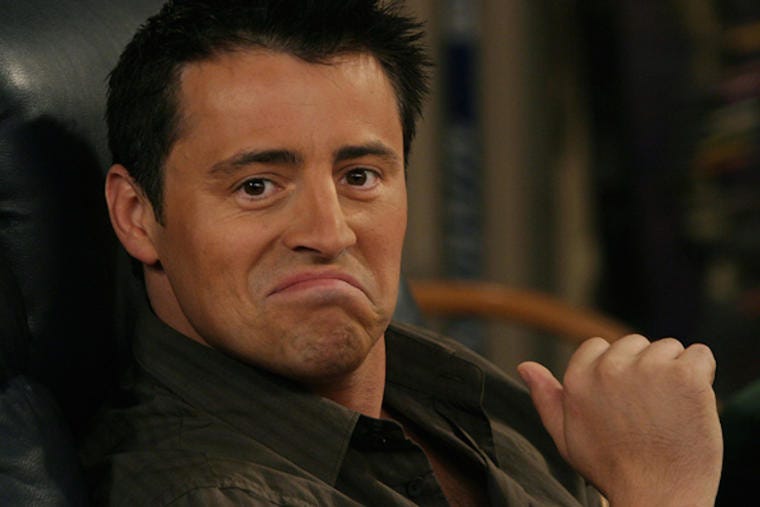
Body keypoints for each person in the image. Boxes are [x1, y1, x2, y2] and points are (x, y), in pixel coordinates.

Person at [80, 1, 723, 505]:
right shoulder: (210, 492)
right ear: (136, 215)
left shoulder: (446, 385)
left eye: (359, 176)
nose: (331, 232)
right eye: (257, 186)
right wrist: (662, 493)